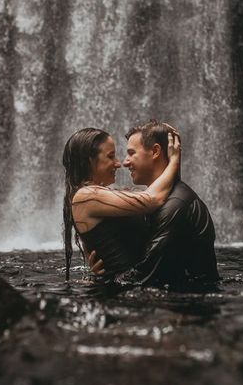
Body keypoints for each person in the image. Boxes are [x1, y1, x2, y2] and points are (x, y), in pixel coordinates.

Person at [89, 120, 220, 289]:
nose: (125, 162)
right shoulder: (160, 200)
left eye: (131, 153)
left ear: (155, 151)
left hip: (183, 309)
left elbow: (146, 275)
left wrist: (100, 281)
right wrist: (106, 260)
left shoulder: (176, 205)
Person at [62, 127, 181, 281]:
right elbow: (152, 200)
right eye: (110, 156)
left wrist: (160, 132)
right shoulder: (86, 197)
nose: (118, 163)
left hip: (130, 286)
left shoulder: (94, 196)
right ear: (89, 161)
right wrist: (174, 161)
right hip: (124, 291)